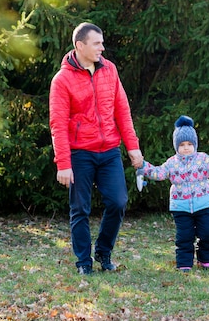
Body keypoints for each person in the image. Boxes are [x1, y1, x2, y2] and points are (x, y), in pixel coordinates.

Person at [49, 22, 144, 275]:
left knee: (118, 201)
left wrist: (132, 147)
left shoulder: (109, 70)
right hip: (80, 153)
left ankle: (103, 251)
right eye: (96, 43)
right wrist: (64, 164)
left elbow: (122, 110)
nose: (102, 47)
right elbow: (57, 124)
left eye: (102, 43)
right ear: (80, 46)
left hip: (109, 150)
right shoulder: (62, 80)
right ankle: (83, 262)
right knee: (80, 209)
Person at [138, 115, 209, 273]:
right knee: (185, 237)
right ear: (176, 146)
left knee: (208, 233)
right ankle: (184, 263)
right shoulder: (172, 163)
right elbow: (158, 173)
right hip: (181, 207)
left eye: (189, 144)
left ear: (194, 144)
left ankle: (205, 260)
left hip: (203, 205)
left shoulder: (203, 159)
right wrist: (143, 167)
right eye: (181, 144)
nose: (186, 147)